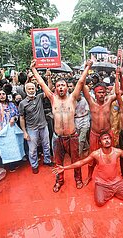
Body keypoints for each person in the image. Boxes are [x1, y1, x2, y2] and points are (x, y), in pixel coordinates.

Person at [30, 59, 92, 192]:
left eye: (63, 85)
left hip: (72, 137)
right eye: (58, 86)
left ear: (67, 87)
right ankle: (59, 181)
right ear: (56, 88)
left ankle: (78, 179)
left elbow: (81, 82)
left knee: (76, 161)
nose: (61, 88)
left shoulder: (73, 98)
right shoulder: (52, 98)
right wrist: (34, 69)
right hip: (58, 138)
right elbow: (41, 83)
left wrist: (87, 67)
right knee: (58, 162)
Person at [52, 132, 123, 207]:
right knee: (99, 203)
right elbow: (81, 162)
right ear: (100, 142)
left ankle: (111, 192)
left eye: (108, 138)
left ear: (111, 141)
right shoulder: (96, 154)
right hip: (102, 183)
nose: (107, 140)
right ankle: (109, 192)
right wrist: (64, 168)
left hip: (117, 182)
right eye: (104, 139)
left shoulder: (117, 151)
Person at [83, 69, 123, 186]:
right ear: (95, 93)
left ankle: (112, 176)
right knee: (92, 158)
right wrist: (87, 68)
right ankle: (89, 176)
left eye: (103, 92)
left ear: (106, 93)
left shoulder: (109, 100)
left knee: (110, 157)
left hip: (107, 133)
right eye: (99, 92)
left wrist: (120, 75)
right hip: (94, 134)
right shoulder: (91, 101)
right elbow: (81, 85)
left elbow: (122, 90)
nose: (101, 94)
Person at [19, 82, 53, 174]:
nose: (31, 90)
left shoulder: (39, 97)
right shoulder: (22, 103)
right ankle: (34, 165)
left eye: (32, 88)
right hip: (31, 129)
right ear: (26, 90)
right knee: (33, 149)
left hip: (43, 126)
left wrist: (49, 78)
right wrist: (24, 132)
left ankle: (47, 161)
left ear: (35, 89)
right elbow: (21, 118)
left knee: (46, 145)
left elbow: (48, 89)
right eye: (29, 89)